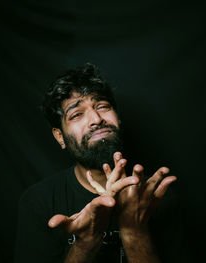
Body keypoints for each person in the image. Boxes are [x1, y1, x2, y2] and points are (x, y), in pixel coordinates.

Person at [14, 63, 188, 263]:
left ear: (118, 118)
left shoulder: (158, 198)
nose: (96, 119)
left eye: (103, 106)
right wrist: (86, 241)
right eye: (77, 114)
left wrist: (133, 230)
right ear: (60, 137)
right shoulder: (39, 203)